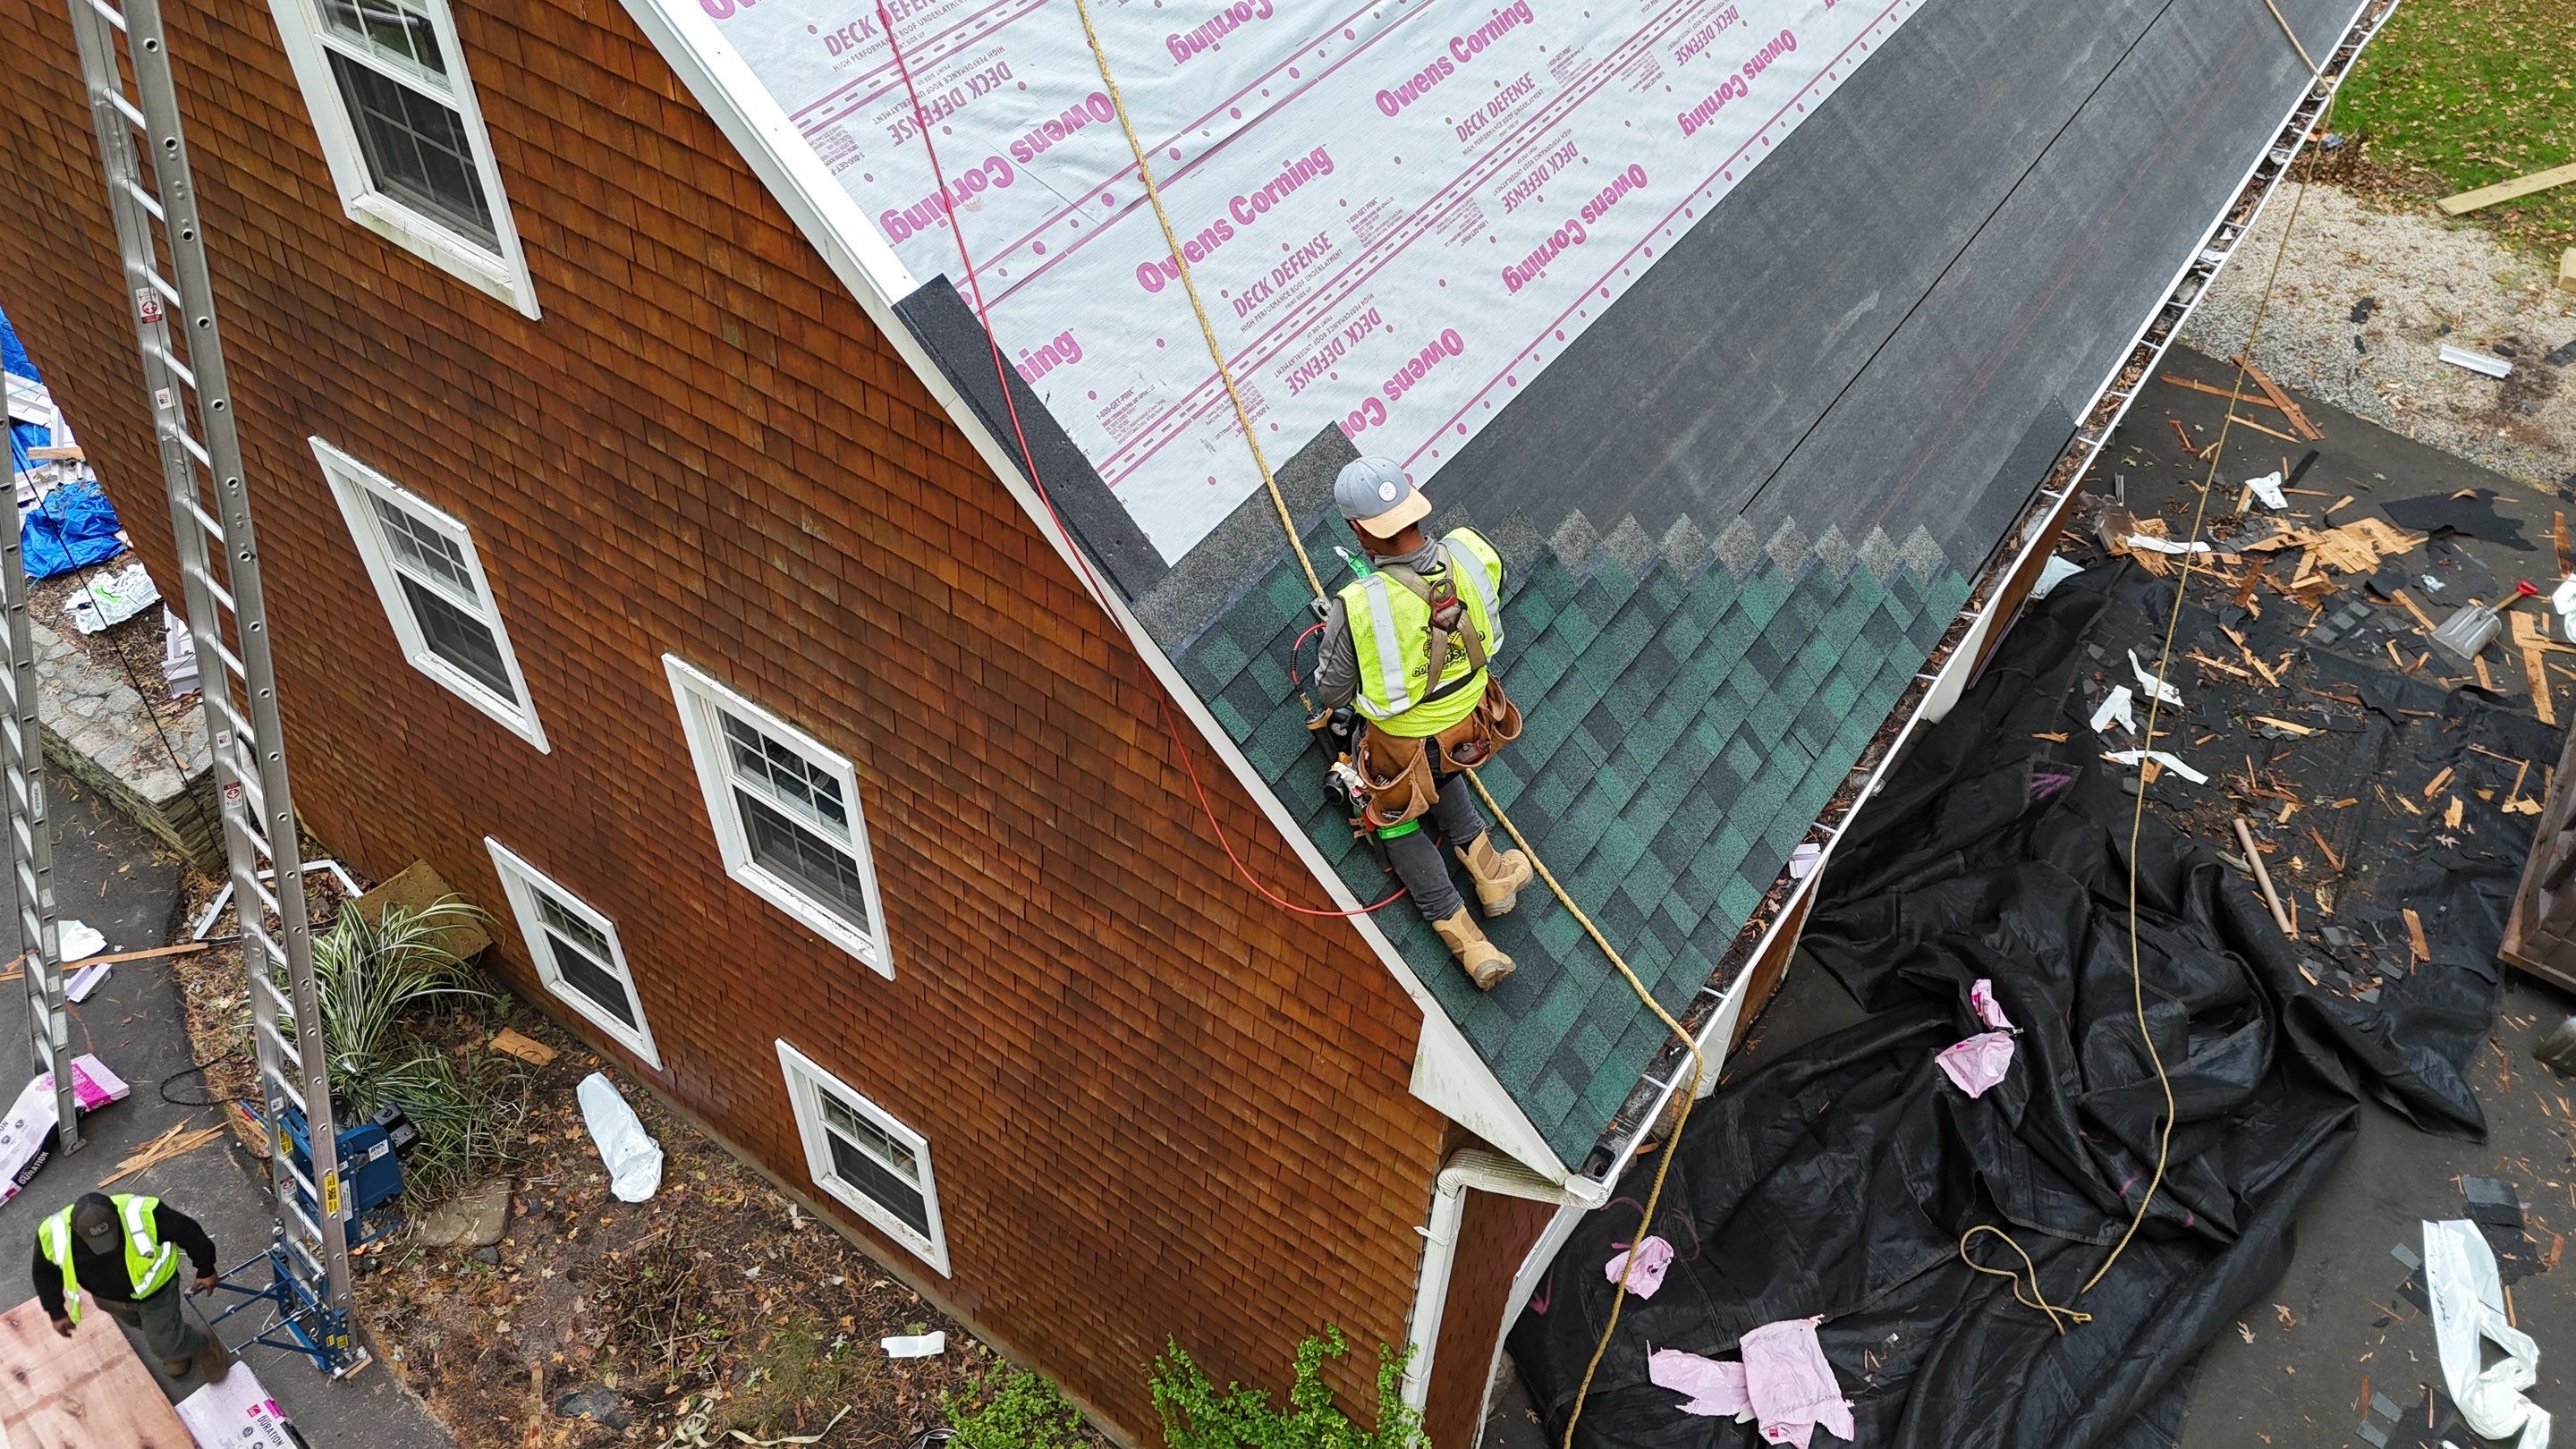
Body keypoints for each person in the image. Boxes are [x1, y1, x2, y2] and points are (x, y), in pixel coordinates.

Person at [1312, 457, 1535, 988]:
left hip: (1406, 748)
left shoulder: (1359, 605)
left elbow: (1333, 692)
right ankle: (1491, 876)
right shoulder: (1470, 551)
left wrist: (1346, 639)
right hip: (1472, 729)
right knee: (1439, 771)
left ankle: (1471, 945)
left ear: (1359, 530)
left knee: (1398, 814)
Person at [32, 1190, 231, 1382]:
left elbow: (188, 1231)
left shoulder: (143, 1213)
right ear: (75, 1230)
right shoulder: (53, 1234)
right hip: (109, 1300)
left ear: (116, 1217)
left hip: (157, 1294)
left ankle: (204, 1345)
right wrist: (55, 1311)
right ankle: (175, 1344)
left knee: (164, 1345)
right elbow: (44, 1274)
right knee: (149, 1328)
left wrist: (206, 1269)